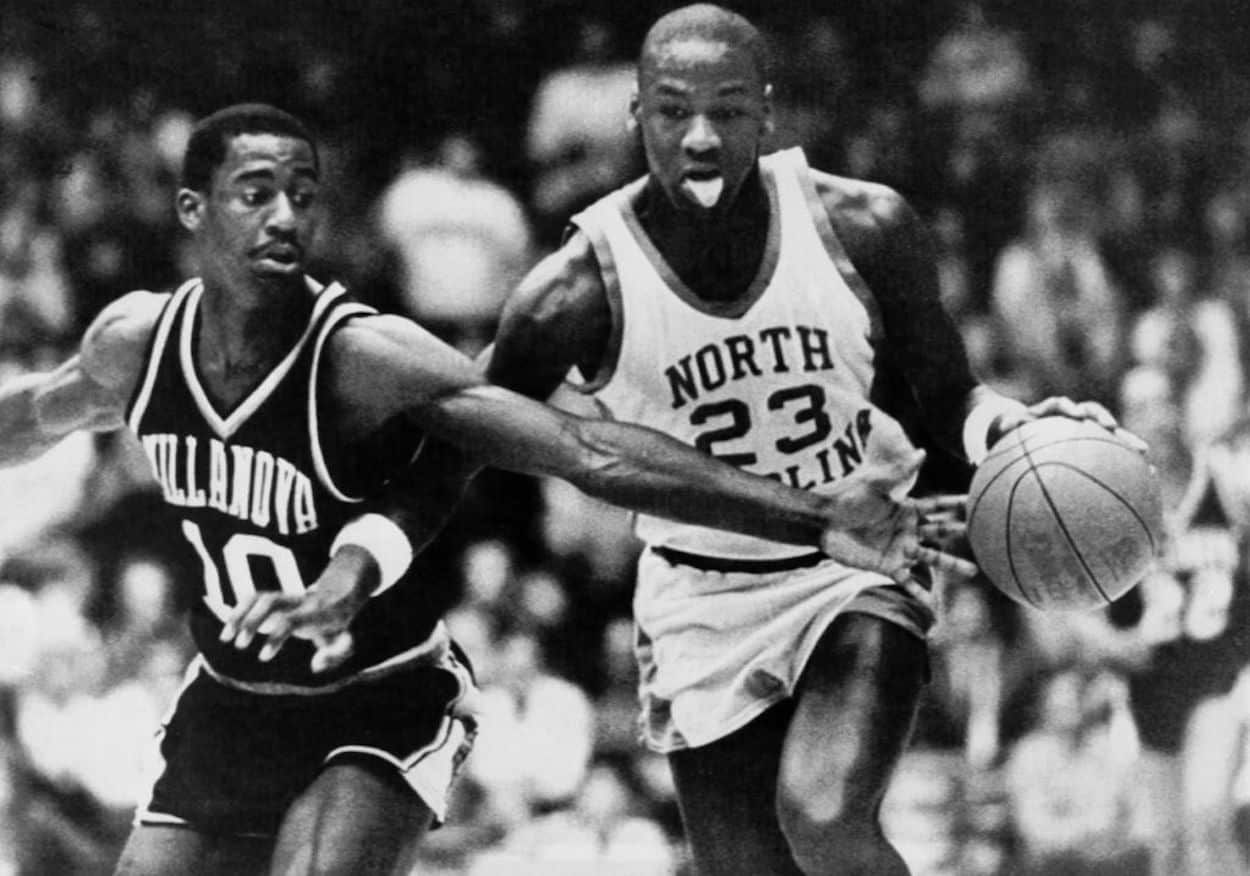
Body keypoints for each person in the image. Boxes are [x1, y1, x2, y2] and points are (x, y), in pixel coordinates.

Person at [0, 103, 972, 876]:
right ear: (192, 212)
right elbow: (30, 419)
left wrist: (809, 514)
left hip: (377, 696)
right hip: (227, 704)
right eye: (256, 193)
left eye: (303, 193)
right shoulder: (133, 345)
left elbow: (585, 450)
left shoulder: (359, 358)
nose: (287, 215)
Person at [400, 7, 1133, 875]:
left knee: (823, 817)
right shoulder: (576, 289)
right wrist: (364, 561)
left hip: (855, 562)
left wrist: (1008, 424)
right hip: (700, 596)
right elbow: (467, 428)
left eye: (729, 109)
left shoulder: (865, 225)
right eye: (674, 111)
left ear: (768, 114)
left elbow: (950, 395)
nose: (701, 137)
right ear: (637, 117)